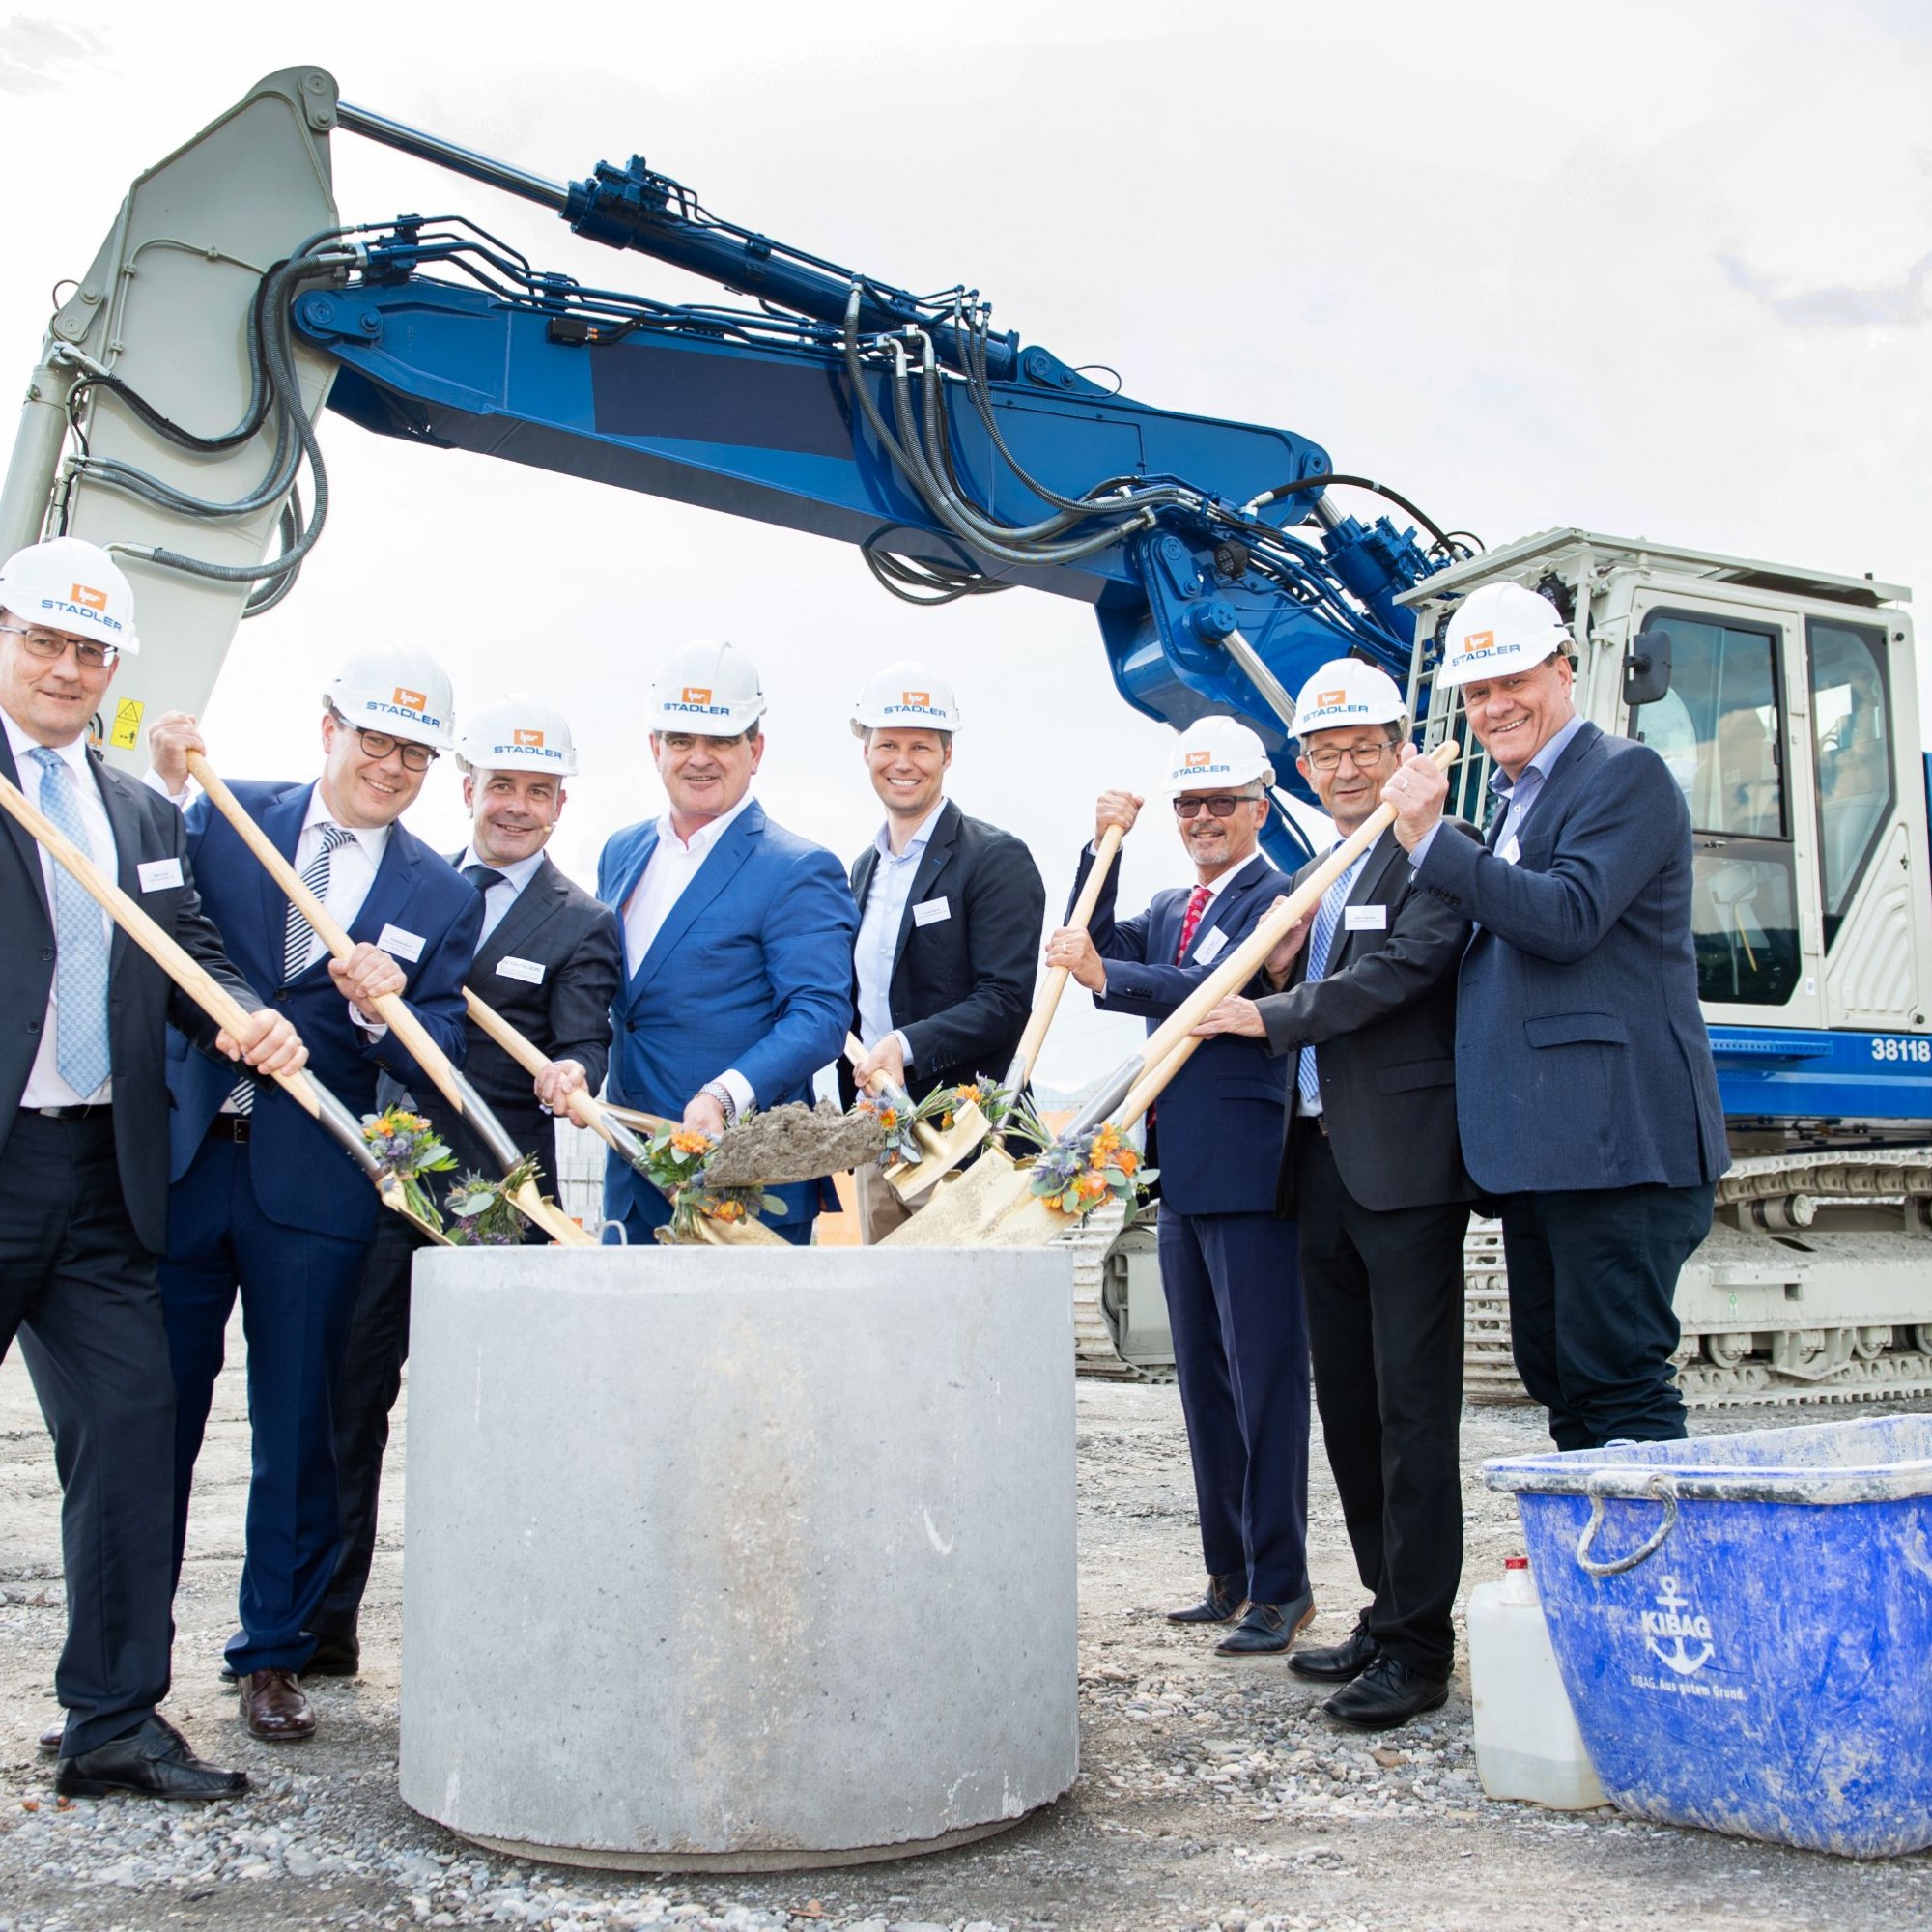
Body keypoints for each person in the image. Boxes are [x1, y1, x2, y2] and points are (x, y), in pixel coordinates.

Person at [0, 538, 303, 1798]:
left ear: (113, 663)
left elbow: (186, 954)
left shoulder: (135, 811)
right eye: (44, 641)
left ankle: (113, 1721)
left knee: (129, 1436)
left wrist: (241, 1009)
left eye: (89, 650)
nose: (67, 667)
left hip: (101, 1172)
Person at [146, 646, 481, 1743]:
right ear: (328, 726)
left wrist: (382, 1010)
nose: (389, 766)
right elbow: (160, 945)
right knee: (154, 1419)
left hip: (315, 1176)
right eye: (374, 739)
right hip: (192, 1152)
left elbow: (423, 1044)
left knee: (300, 1422)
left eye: (414, 753)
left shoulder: (438, 888)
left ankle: (273, 1653)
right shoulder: (223, 814)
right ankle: (124, 1661)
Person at [1194, 661, 1478, 1729]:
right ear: (1302, 766)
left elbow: (1402, 973)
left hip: (1401, 1166)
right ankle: (1381, 1606)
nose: (1344, 764)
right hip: (1314, 1155)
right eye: (1324, 750)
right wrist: (1271, 980)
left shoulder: (1427, 855)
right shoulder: (1328, 864)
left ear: (1401, 747)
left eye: (1363, 744)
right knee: (1351, 1409)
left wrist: (1270, 1016)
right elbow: (1320, 971)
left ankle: (1419, 1646)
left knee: (1410, 1408)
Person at [311, 696, 621, 1674]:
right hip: (383, 1185)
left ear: (559, 803)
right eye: (501, 786)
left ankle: (490, 1638)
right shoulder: (412, 886)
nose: (516, 806)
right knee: (344, 1407)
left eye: (537, 791)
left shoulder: (581, 919)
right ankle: (322, 1633)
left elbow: (581, 1040)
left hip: (492, 1202)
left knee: (489, 1424)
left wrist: (572, 1073)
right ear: (468, 788)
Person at [1382, 582, 1727, 1452]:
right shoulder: (1513, 802)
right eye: (1478, 692)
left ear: (1565, 670)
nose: (1496, 707)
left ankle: (1663, 1589)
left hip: (1616, 1144)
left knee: (1617, 1380)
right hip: (1547, 1148)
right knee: (1560, 1376)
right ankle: (1599, 1589)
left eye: (1515, 682)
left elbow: (1567, 918)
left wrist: (1432, 842)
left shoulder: (1624, 776)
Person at [1047, 717, 1309, 1656]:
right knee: (1201, 1382)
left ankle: (1282, 1585)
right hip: (1181, 1172)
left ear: (1257, 806)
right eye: (1187, 803)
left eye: (1220, 801)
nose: (1201, 817)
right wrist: (1099, 847)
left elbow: (1198, 985)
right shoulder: (1168, 902)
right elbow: (1103, 938)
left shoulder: (1278, 896)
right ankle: (1228, 1571)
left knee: (1264, 1381)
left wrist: (1107, 970)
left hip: (1250, 1170)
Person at [598, 639, 856, 1245]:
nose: (699, 759)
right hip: (633, 1182)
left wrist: (724, 1095)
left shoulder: (798, 868)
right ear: (654, 746)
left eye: (721, 741)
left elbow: (819, 1015)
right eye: (681, 740)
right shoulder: (621, 852)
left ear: (755, 750)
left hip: (743, 1191)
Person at [840, 663, 1045, 1241]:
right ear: (866, 753)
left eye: (921, 747)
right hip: (880, 1136)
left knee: (971, 1316)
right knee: (889, 1312)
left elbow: (1005, 1000)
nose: (902, 762)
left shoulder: (994, 859)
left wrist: (903, 1048)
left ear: (947, 754)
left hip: (969, 1138)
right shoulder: (863, 871)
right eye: (888, 745)